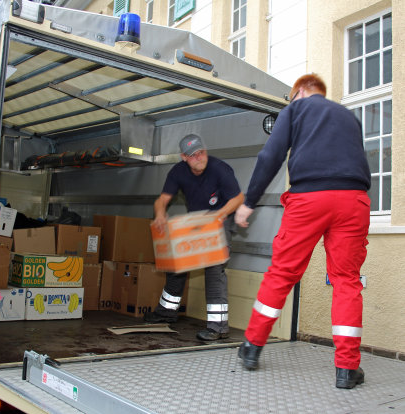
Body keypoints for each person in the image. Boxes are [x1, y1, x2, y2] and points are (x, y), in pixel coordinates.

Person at [234, 74, 371, 389]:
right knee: (347, 281)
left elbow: (270, 156)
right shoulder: (350, 118)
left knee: (282, 272)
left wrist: (249, 202)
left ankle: (252, 348)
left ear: (300, 93)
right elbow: (361, 161)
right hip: (354, 200)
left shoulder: (294, 110)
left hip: (309, 199)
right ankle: (347, 369)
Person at [144, 134, 244, 341]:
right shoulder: (178, 172)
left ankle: (218, 327)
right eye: (193, 155)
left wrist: (218, 215)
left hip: (221, 218)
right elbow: (162, 200)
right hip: (197, 219)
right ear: (183, 157)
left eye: (201, 152)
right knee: (176, 263)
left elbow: (238, 198)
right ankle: (166, 313)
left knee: (214, 268)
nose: (199, 157)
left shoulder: (219, 168)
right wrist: (161, 214)